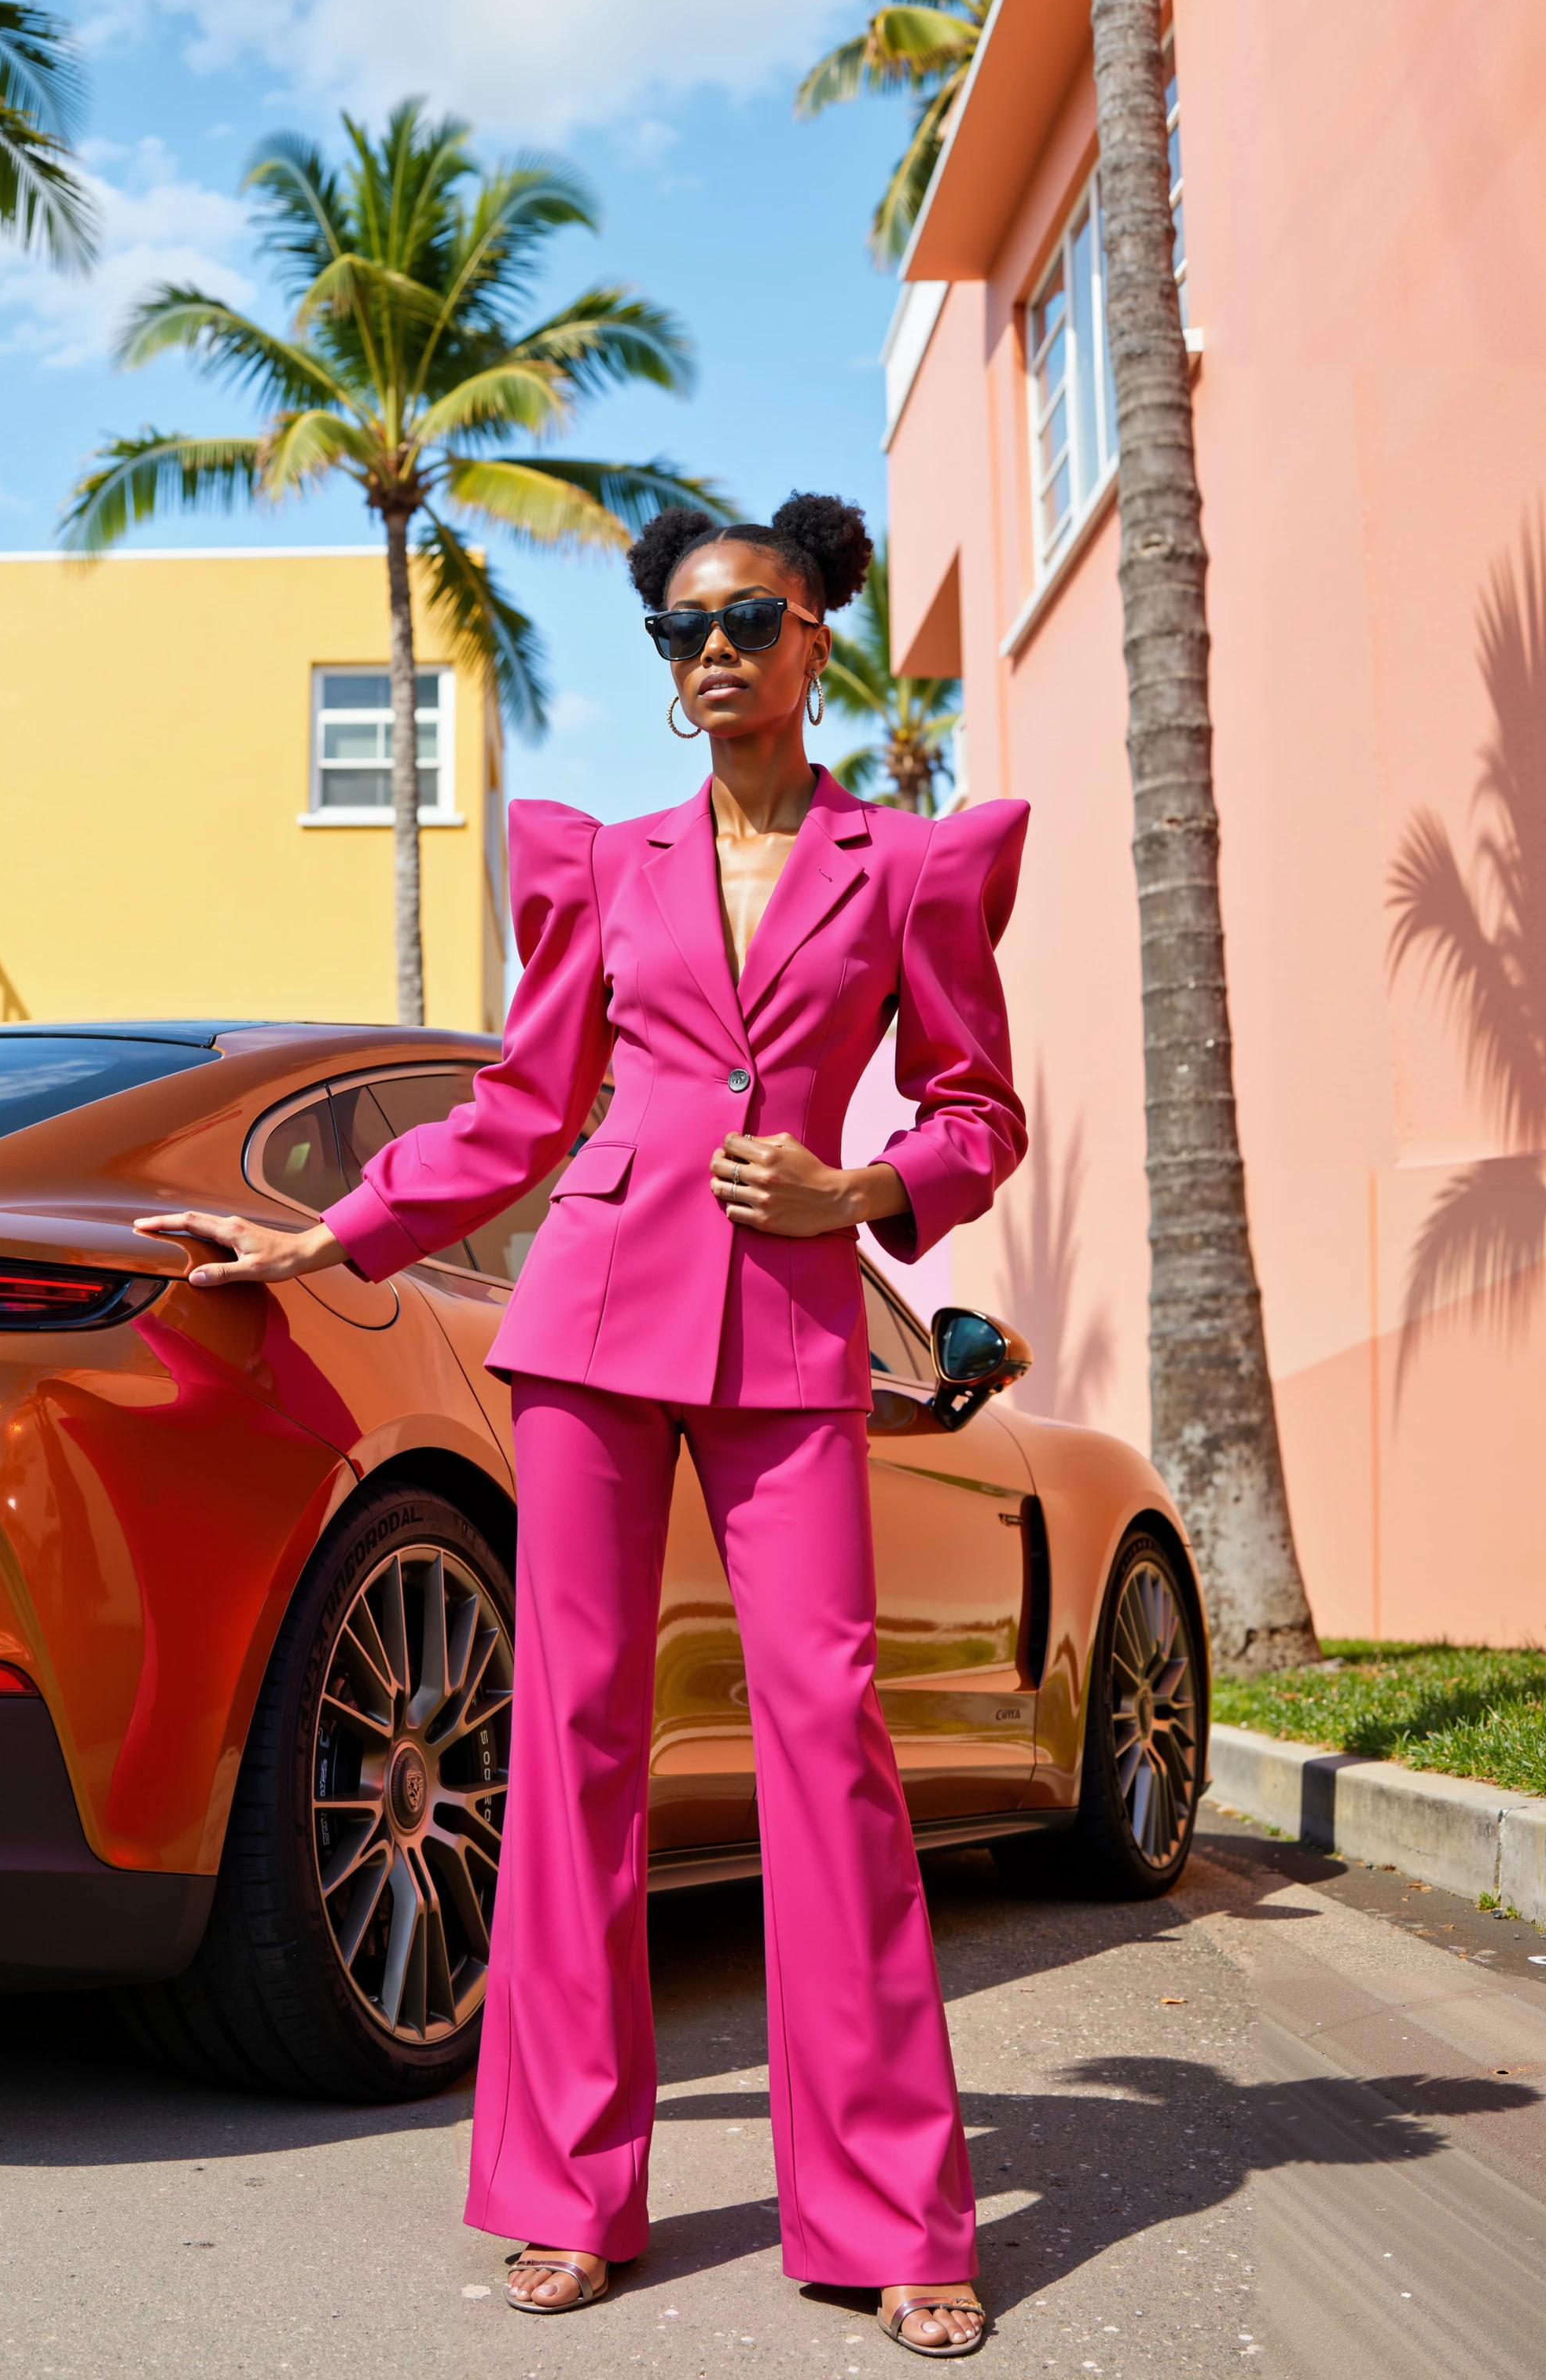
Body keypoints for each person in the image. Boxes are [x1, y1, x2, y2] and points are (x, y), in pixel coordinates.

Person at [137, 493, 1025, 2359]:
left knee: (828, 1746)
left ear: (815, 641)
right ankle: (564, 2189)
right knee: (573, 1746)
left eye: (747, 622)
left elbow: (972, 1110)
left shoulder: (909, 868)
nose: (711, 654)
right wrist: (319, 1234)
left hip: (788, 1328)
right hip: (595, 1316)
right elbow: (516, 1115)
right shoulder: (605, 865)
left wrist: (859, 1197)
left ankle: (884, 2205)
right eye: (679, 631)